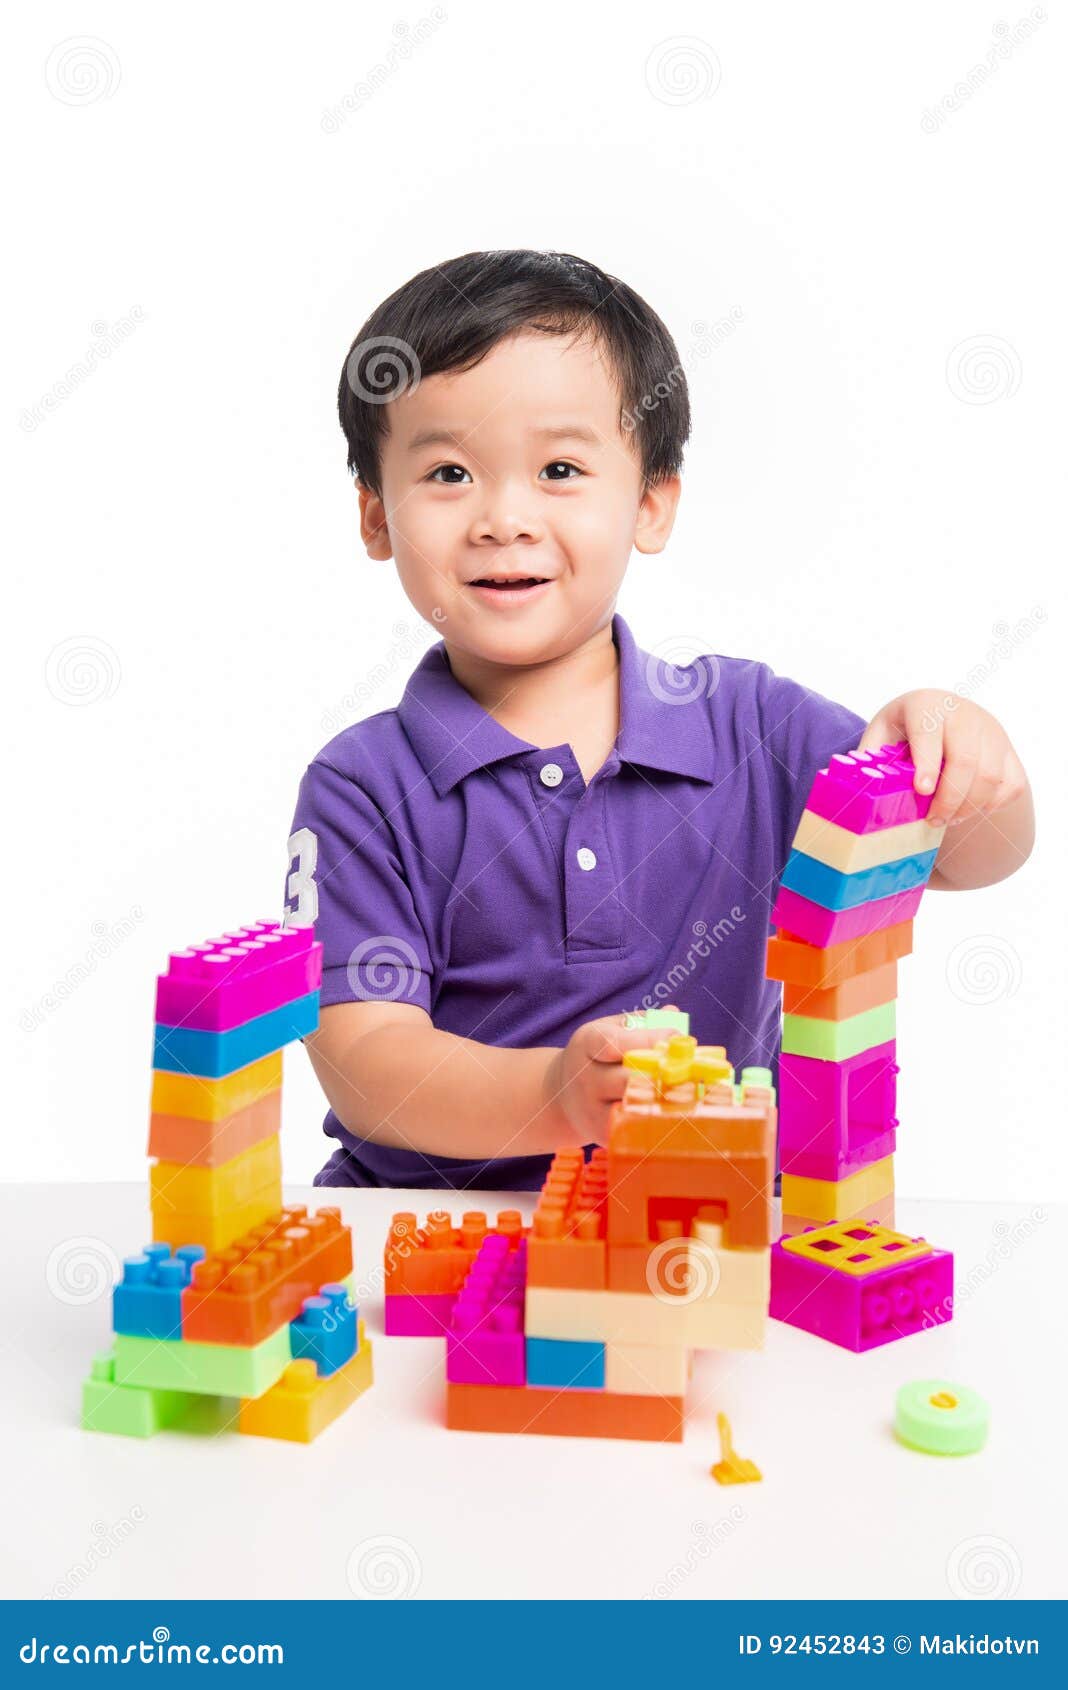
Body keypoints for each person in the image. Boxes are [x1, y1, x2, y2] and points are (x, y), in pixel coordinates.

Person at [285, 250, 1034, 1189]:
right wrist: (553, 1099)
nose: (503, 517)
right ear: (376, 518)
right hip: (430, 1239)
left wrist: (968, 757)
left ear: (649, 503)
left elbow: (972, 855)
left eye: (559, 467)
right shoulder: (365, 787)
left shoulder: (755, 731)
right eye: (447, 472)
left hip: (696, 1240)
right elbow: (367, 1063)